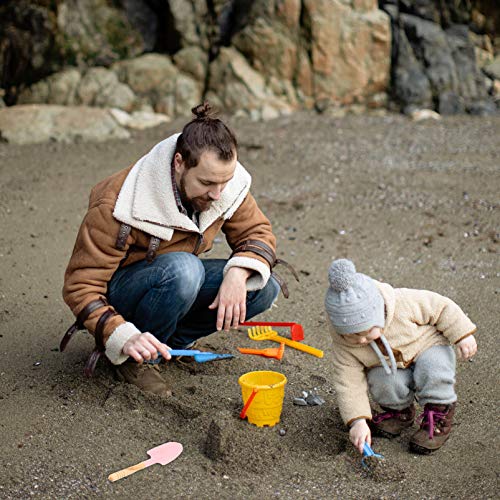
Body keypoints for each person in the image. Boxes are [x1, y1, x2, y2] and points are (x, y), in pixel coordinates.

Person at [61, 102, 291, 396]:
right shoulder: (117, 204)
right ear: (179, 163)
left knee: (263, 285)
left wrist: (239, 272)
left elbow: (256, 232)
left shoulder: (222, 182)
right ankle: (135, 358)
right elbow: (81, 286)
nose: (218, 194)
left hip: (174, 281)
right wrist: (120, 334)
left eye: (225, 182)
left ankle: (170, 345)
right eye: (207, 183)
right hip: (124, 295)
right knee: (184, 270)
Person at [324, 259, 477, 454]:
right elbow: (348, 383)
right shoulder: (344, 346)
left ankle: (438, 417)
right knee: (383, 380)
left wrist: (462, 335)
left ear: (379, 314)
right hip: (390, 364)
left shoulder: (402, 302)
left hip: (427, 346)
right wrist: (357, 421)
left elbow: (441, 307)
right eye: (352, 335)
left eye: (366, 332)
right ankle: (399, 413)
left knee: (434, 368)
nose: (362, 340)